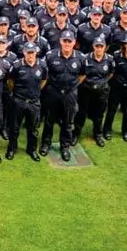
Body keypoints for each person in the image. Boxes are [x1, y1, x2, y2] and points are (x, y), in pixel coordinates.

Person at [39, 31, 85, 161]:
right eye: (65, 41)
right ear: (60, 41)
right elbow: (44, 73)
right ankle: (45, 144)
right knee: (49, 120)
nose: (67, 43)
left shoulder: (81, 57)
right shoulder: (50, 56)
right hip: (53, 92)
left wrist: (73, 86)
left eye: (69, 41)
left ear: (74, 42)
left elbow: (82, 75)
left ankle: (65, 147)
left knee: (68, 121)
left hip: (70, 94)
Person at [6, 42, 46, 162]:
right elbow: (10, 82)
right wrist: (17, 94)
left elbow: (43, 81)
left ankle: (31, 150)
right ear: (24, 52)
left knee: (33, 129)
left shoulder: (42, 65)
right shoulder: (16, 65)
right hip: (19, 101)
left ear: (36, 53)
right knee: (14, 127)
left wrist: (35, 92)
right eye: (28, 52)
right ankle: (12, 148)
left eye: (32, 52)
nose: (30, 55)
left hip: (34, 102)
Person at [73, 35, 114, 147]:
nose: (99, 48)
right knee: (81, 113)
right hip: (86, 90)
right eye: (97, 46)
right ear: (93, 46)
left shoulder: (110, 59)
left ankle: (98, 134)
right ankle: (76, 134)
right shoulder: (85, 58)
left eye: (101, 46)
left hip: (101, 91)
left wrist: (101, 83)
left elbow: (111, 73)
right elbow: (81, 74)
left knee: (99, 114)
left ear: (105, 47)